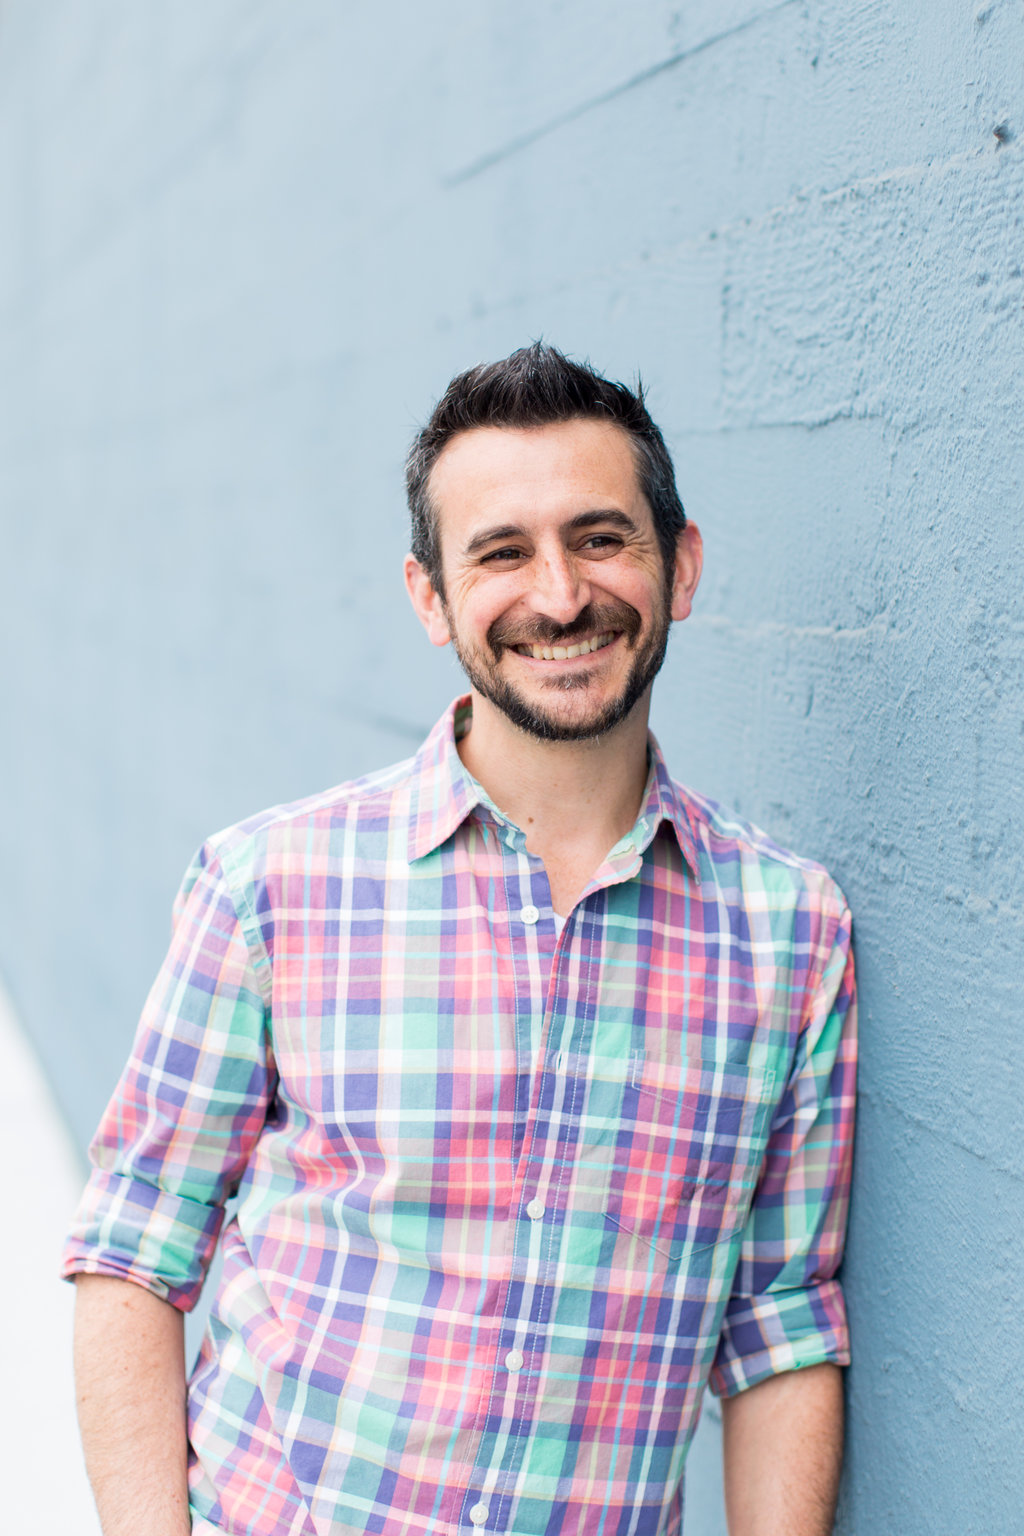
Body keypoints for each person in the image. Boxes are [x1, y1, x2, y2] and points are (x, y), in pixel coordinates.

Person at [64, 343, 857, 1536]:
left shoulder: (791, 936)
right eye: (500, 553)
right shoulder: (271, 886)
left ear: (678, 565)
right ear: (431, 598)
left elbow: (779, 1322)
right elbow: (135, 1251)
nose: (557, 595)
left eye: (601, 538)